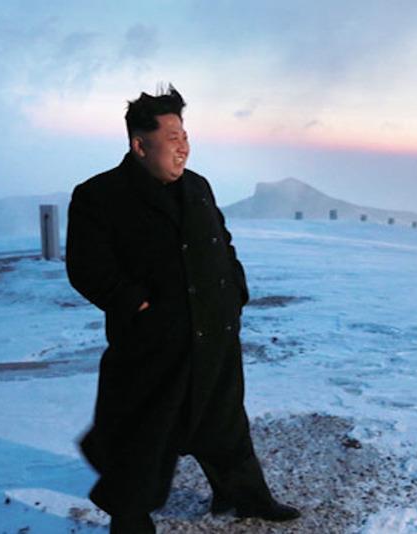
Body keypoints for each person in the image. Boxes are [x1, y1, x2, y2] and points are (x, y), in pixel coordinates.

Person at [66, 86, 300, 533]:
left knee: (225, 424)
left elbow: (222, 242)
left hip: (214, 333)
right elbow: (86, 267)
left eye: (185, 135)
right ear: (140, 145)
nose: (184, 146)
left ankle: (245, 497)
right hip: (154, 343)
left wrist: (235, 290)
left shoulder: (198, 186)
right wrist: (133, 302)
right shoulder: (100, 194)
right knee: (145, 436)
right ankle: (130, 522)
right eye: (172, 137)